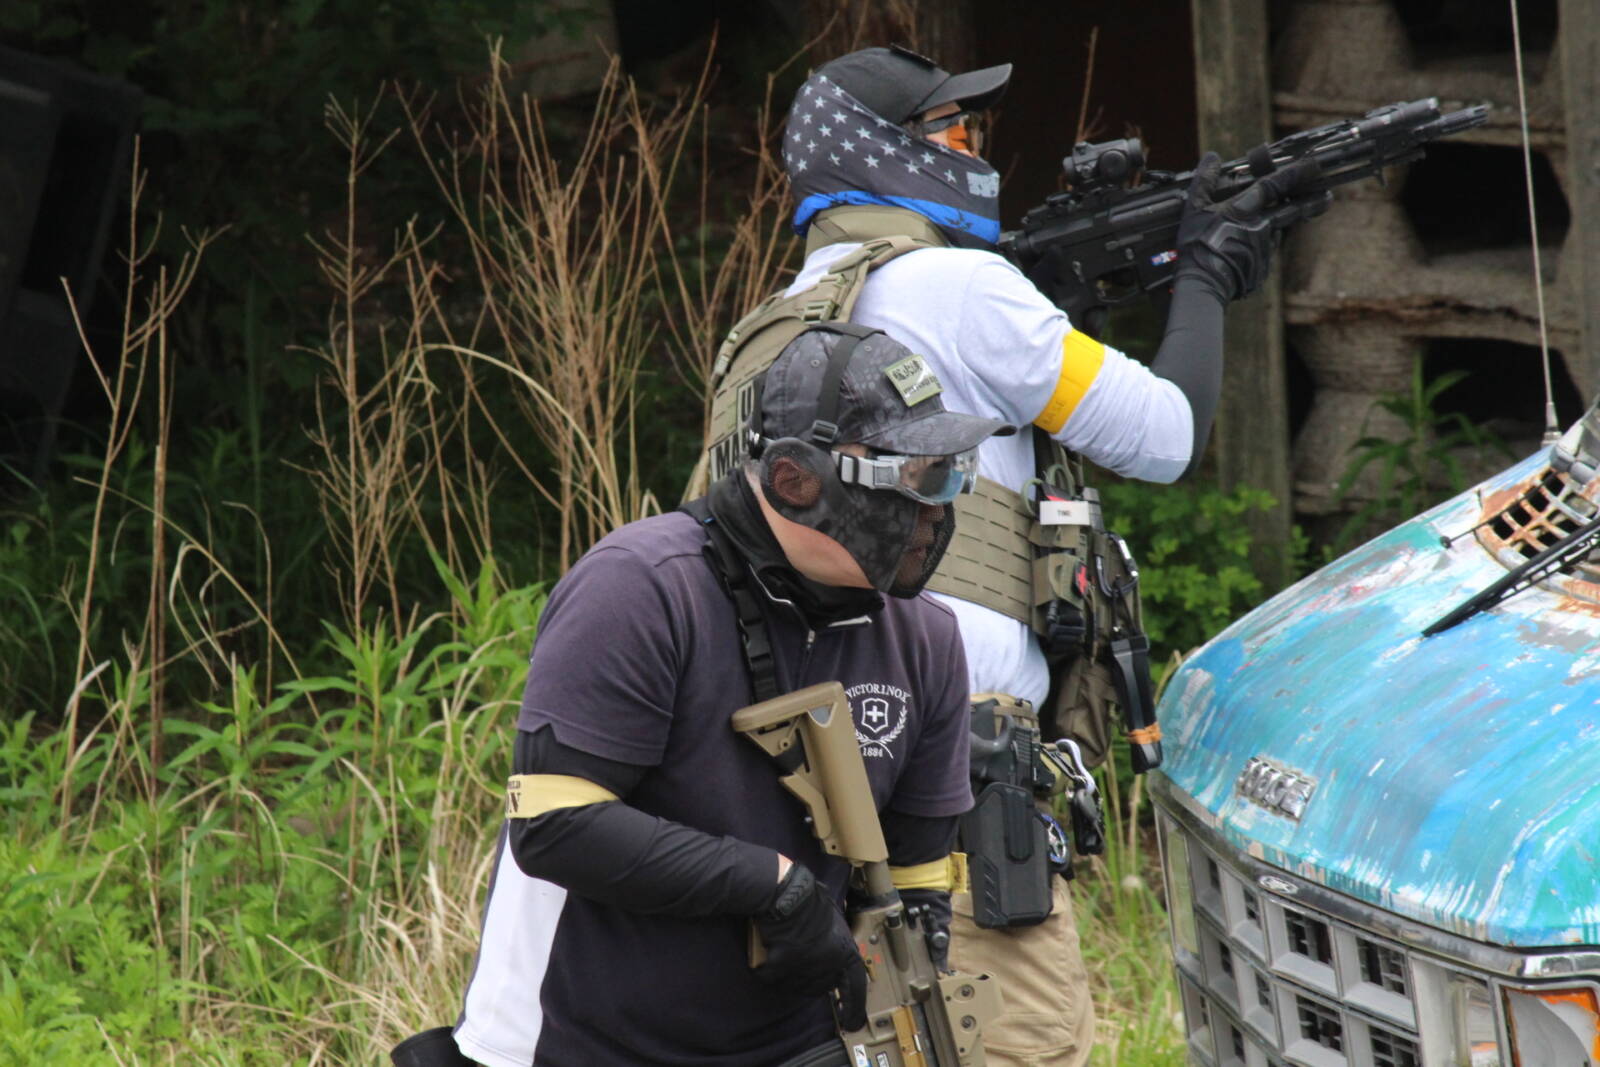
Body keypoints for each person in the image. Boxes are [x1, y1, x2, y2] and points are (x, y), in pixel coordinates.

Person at [746, 44, 1326, 1067]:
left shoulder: (773, 325)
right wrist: (1204, 274)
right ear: (882, 152)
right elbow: (1168, 434)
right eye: (949, 131)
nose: (972, 151)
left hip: (806, 793)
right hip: (959, 792)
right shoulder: (961, 288)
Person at [429, 324, 1014, 1066]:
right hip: (578, 1038)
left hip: (797, 1047)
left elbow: (915, 871)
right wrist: (771, 884)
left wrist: (914, 989)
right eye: (918, 477)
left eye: (953, 474)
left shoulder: (926, 638)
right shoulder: (640, 587)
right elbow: (554, 824)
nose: (937, 509)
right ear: (797, 481)